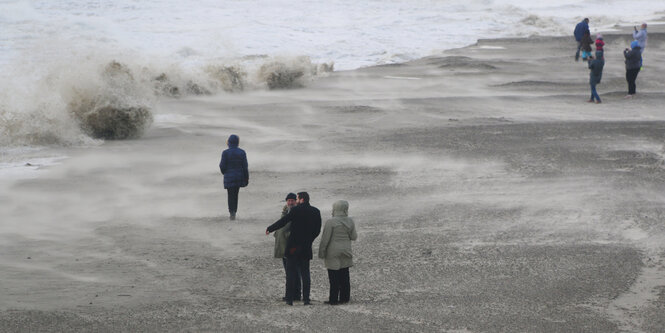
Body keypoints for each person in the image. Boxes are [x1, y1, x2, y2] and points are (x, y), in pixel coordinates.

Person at [266, 192, 321, 306]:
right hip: (306, 246)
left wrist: (270, 228)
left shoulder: (295, 211)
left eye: (296, 198)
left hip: (293, 246)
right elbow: (317, 230)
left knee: (290, 272)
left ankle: (289, 299)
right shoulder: (316, 211)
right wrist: (310, 239)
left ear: (300, 199)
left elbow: (283, 221)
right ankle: (306, 299)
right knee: (305, 273)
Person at [318, 200, 357, 305]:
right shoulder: (350, 221)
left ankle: (333, 299)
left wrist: (321, 252)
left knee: (333, 276)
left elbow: (325, 239)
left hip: (333, 251)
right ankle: (345, 297)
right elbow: (354, 237)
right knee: (345, 274)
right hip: (346, 249)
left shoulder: (331, 222)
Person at [273, 193, 301, 301]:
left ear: (296, 201)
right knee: (289, 272)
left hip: (291, 246)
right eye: (288, 200)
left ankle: (295, 295)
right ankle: (291, 294)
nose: (290, 202)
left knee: (294, 272)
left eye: (292, 200)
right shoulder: (285, 212)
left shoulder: (297, 212)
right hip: (283, 245)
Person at [219, 134, 248, 220]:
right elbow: (245, 166)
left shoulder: (225, 153)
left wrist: (225, 173)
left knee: (230, 194)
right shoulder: (242, 152)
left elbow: (222, 166)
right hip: (239, 177)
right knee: (236, 194)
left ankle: (232, 212)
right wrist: (246, 178)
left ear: (229, 142)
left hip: (229, 177)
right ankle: (234, 211)